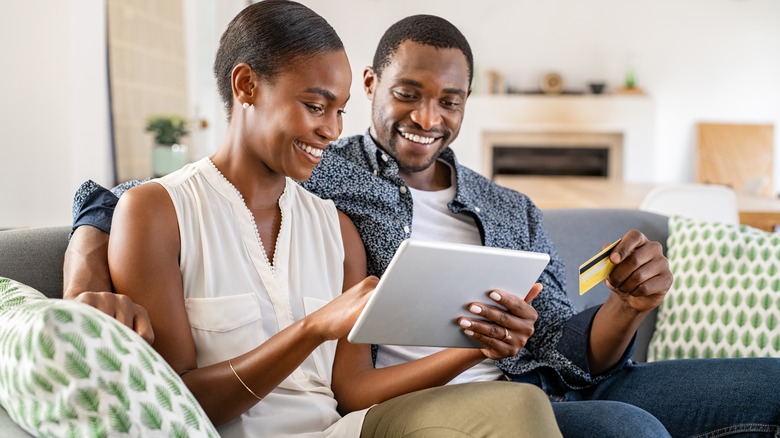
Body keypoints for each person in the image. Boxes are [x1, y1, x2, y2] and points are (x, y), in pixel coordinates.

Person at [65, 10, 780, 438]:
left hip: (554, 382)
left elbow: (568, 346)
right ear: (374, 85)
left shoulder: (506, 208)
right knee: (629, 431)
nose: (429, 119)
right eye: (409, 94)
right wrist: (85, 279)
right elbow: (122, 195)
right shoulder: (330, 172)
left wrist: (625, 304)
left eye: (451, 102)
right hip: (450, 405)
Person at [65, 2, 562, 437]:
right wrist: (312, 329)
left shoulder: (337, 228)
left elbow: (354, 392)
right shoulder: (157, 212)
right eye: (315, 106)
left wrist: (481, 348)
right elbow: (178, 405)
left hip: (345, 431)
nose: (330, 130)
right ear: (246, 86)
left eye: (341, 111)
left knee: (519, 403)